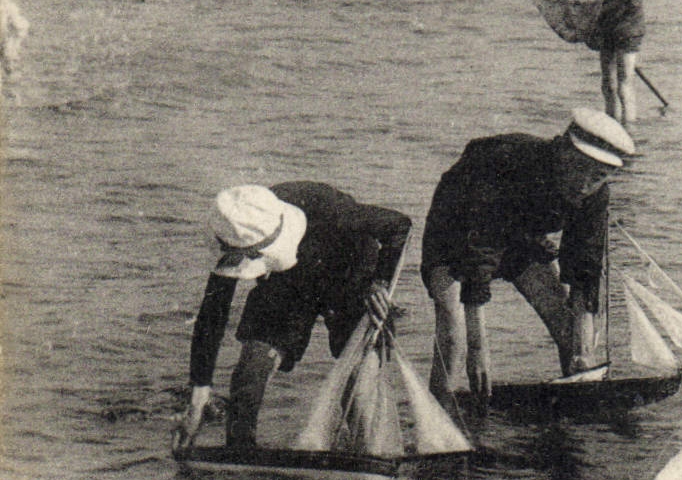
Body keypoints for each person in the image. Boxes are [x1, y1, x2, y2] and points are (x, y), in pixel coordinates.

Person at [420, 110, 636, 406]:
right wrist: (478, 348)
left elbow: (584, 270)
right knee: (454, 334)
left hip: (520, 237)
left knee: (568, 326)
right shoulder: (508, 160)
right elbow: (479, 251)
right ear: (562, 150)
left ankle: (572, 415)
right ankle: (439, 415)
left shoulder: (594, 196)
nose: (583, 184)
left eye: (597, 176)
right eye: (578, 168)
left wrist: (582, 352)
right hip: (456, 233)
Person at [173, 183, 412, 450]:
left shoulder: (336, 215)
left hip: (350, 272)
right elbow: (211, 318)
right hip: (286, 282)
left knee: (359, 379)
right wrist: (198, 397)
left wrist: (379, 283)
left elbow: (400, 225)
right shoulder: (236, 226)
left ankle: (368, 453)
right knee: (253, 365)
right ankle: (240, 451)